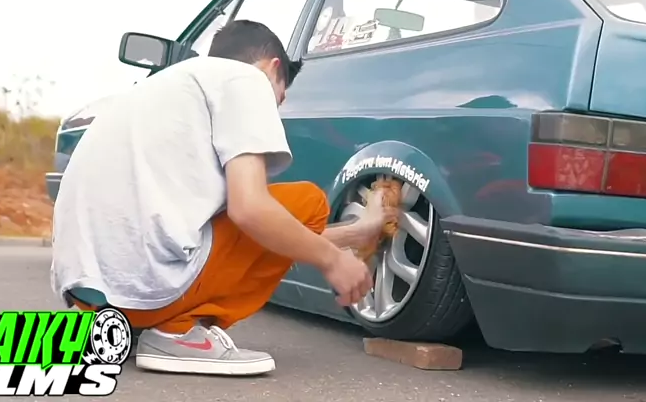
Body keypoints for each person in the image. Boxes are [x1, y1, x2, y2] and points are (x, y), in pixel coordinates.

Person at [51, 20, 395, 376]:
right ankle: (175, 333)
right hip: (142, 290)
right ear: (272, 68)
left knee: (271, 218)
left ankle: (129, 329)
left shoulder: (168, 88)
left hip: (89, 294)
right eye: (279, 97)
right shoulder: (247, 80)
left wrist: (357, 233)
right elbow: (251, 211)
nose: (275, 108)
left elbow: (253, 237)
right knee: (308, 202)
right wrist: (333, 261)